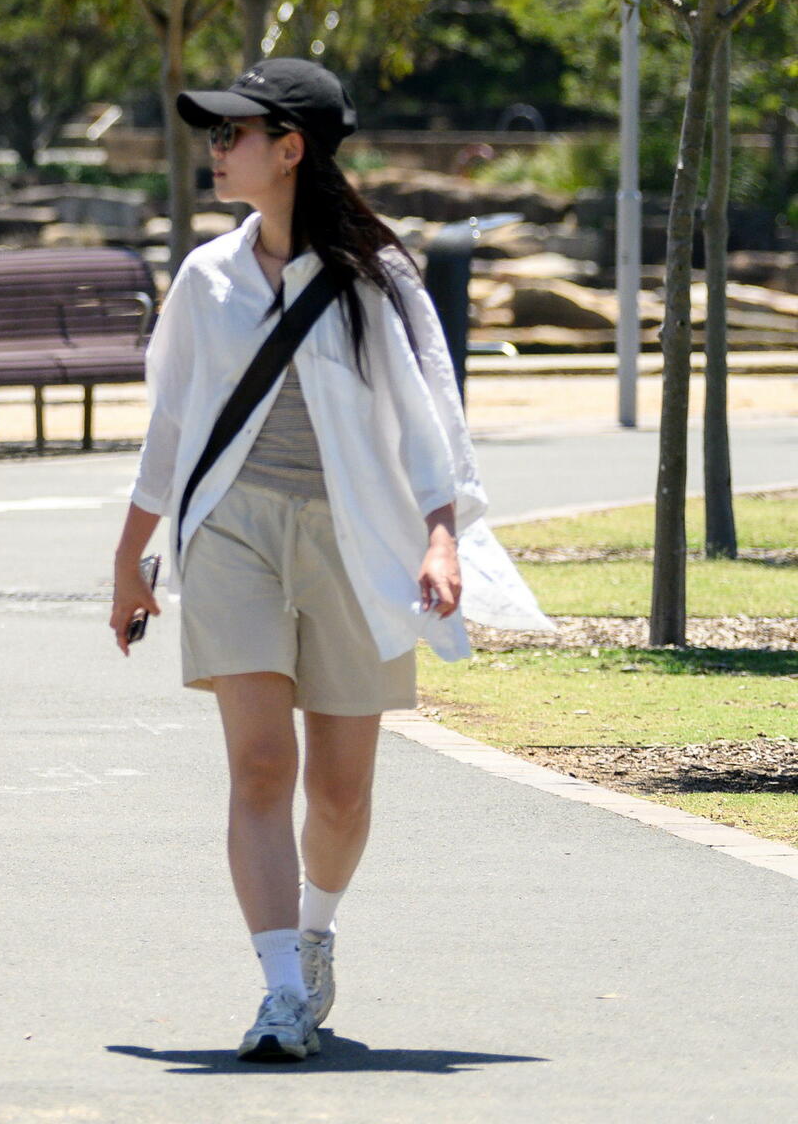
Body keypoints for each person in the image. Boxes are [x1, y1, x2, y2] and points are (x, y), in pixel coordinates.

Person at [110, 60, 518, 1063]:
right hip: (232, 531)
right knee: (259, 763)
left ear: (291, 146)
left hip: (353, 537)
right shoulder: (205, 278)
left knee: (339, 793)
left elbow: (431, 415)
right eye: (214, 134)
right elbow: (169, 423)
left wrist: (439, 531)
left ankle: (317, 929)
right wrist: (131, 555)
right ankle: (282, 986)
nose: (216, 148)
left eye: (233, 133)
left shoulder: (375, 277)